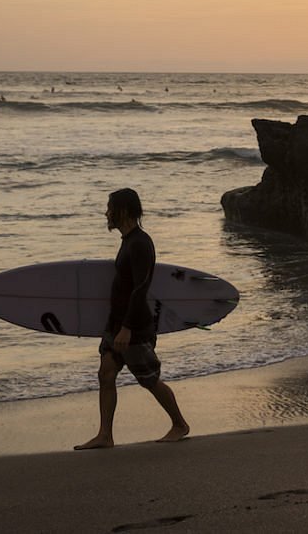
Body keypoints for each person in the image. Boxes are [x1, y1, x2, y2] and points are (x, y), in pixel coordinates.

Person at [75, 188, 190, 450]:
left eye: (110, 207)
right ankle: (105, 435)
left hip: (134, 327)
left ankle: (180, 424)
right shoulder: (128, 241)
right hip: (116, 324)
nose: (107, 213)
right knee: (105, 374)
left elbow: (141, 288)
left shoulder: (140, 243)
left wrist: (126, 328)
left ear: (123, 211)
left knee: (148, 379)